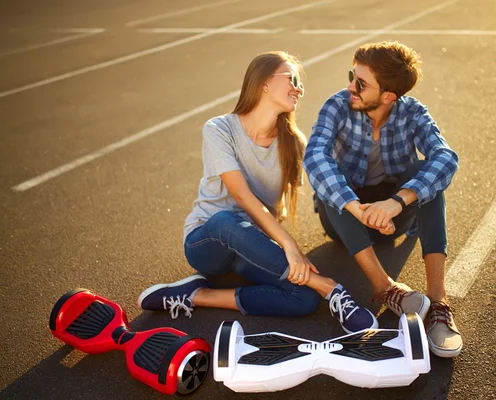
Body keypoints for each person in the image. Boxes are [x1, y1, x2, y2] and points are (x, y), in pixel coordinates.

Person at [137, 51, 377, 334]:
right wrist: (290, 247)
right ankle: (331, 289)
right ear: (263, 82)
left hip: (251, 248)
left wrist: (360, 207)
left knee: (303, 299)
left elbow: (300, 198)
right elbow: (241, 196)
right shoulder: (220, 129)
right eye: (292, 78)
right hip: (208, 241)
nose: (298, 88)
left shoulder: (294, 144)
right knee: (227, 220)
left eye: (300, 83)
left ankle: (196, 295)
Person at [303, 41, 462, 357]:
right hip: (345, 217)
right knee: (330, 180)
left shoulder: (412, 112)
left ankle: (438, 301)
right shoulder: (337, 105)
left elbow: (446, 157)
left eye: (360, 83)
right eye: (352, 76)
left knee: (427, 171)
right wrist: (357, 209)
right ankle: (383, 286)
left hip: (392, 214)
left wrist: (396, 203)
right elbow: (315, 155)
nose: (351, 86)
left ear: (389, 96)